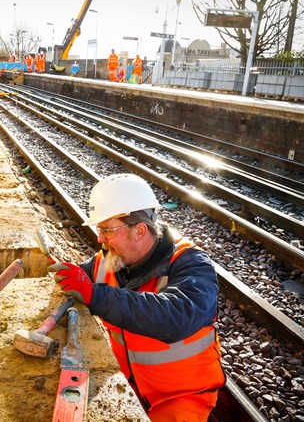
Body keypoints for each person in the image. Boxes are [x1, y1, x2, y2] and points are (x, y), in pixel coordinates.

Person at [49, 173, 225, 422]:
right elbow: (81, 280)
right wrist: (69, 276)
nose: (100, 239)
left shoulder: (191, 264)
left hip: (181, 398)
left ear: (139, 230)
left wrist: (95, 295)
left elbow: (176, 316)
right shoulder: (107, 263)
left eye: (106, 230)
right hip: (126, 386)